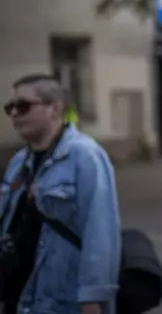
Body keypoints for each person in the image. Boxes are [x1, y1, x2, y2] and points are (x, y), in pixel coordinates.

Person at [0, 74, 120, 314]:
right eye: (9, 107)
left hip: (62, 301)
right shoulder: (18, 162)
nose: (14, 113)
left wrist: (92, 297)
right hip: (19, 297)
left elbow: (100, 231)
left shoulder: (85, 156)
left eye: (23, 106)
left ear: (54, 108)